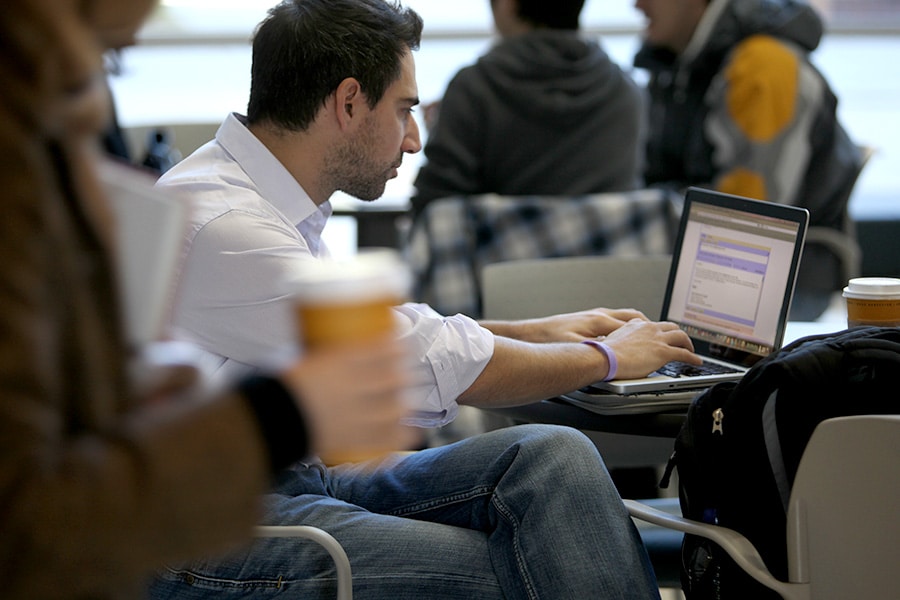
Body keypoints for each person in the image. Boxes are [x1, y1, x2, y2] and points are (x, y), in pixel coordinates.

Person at [148, 1, 701, 598]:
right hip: (210, 532)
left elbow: (390, 335)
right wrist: (608, 359)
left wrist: (545, 333)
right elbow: (410, 358)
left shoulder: (261, 199)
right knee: (530, 564)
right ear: (349, 101)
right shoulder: (226, 225)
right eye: (405, 110)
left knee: (552, 456)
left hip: (294, 480)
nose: (414, 140)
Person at [0, 2, 415, 599]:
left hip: (189, 505)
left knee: (545, 458)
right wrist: (281, 415)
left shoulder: (53, 100)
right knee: (490, 558)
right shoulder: (22, 142)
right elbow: (29, 525)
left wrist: (133, 389)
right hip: (173, 533)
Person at [633, 0, 863, 319]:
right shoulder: (678, 62)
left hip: (777, 284)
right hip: (704, 267)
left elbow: (750, 218)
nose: (636, 4)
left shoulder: (763, 65)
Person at [409, 0, 646, 216]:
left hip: (499, 262)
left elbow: (435, 211)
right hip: (608, 262)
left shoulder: (475, 89)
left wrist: (445, 127)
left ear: (507, 5)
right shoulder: (625, 90)